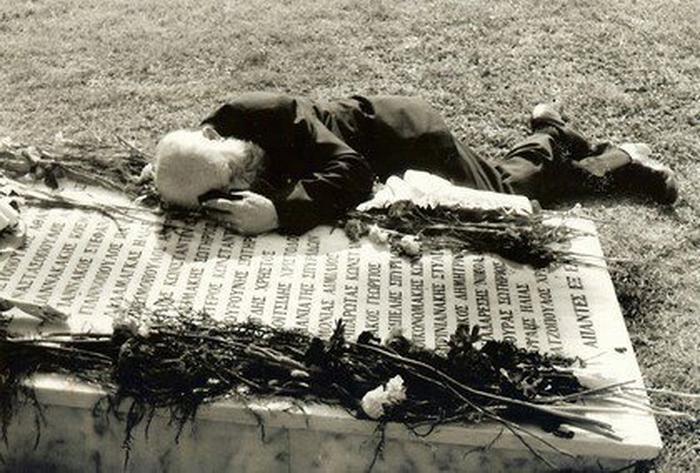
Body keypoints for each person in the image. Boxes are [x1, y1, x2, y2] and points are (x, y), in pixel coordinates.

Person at [153, 92, 678, 235]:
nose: (239, 186)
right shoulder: (212, 139)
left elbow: (351, 172)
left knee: (512, 198)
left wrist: (279, 213)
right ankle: (550, 130)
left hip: (408, 141)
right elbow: (187, 169)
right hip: (389, 143)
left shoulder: (270, 114)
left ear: (213, 138)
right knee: (501, 178)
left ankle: (624, 159)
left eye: (232, 176)